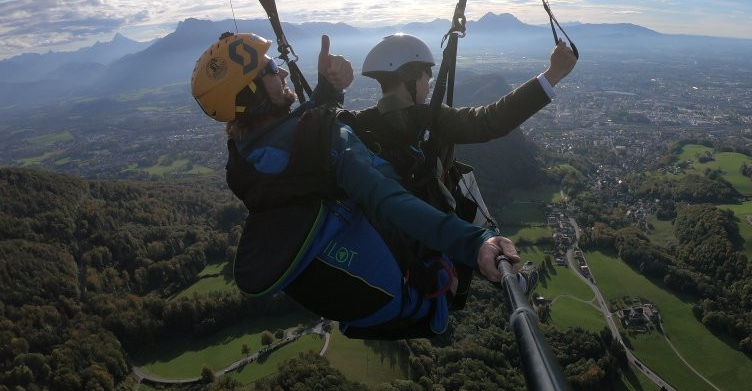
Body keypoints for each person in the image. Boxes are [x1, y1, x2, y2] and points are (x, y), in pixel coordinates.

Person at [190, 31, 531, 340]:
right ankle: (502, 271)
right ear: (252, 96)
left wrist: (328, 90)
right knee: (446, 185)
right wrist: (474, 243)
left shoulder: (243, 161)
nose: (281, 72)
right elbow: (386, 198)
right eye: (269, 71)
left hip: (355, 286)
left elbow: (293, 153)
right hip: (411, 275)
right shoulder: (328, 139)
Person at [347, 32, 577, 307]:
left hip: (392, 231)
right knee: (463, 182)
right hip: (437, 217)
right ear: (410, 79)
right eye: (425, 79)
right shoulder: (428, 119)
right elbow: (490, 120)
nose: (429, 86)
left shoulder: (361, 125)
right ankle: (509, 274)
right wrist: (552, 75)